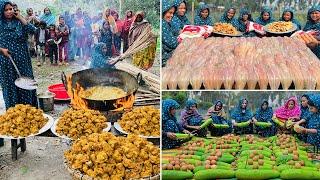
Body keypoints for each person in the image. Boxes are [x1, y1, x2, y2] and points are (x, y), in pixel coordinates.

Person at [0, 0, 38, 109]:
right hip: (6, 60)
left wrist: (20, 17)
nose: (9, 12)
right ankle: (14, 113)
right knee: (10, 85)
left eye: (10, 9)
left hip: (23, 60)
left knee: (25, 83)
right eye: (6, 10)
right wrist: (1, 50)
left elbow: (34, 30)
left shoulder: (19, 22)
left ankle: (29, 110)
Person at [162, 0, 178, 67]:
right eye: (170, 12)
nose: (172, 15)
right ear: (163, 11)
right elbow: (172, 43)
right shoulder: (163, 24)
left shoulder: (167, 23)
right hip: (165, 57)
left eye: (173, 13)